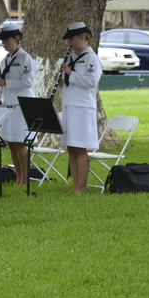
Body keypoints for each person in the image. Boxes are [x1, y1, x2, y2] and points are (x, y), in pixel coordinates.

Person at [0, 24, 35, 186]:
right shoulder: (5, 60)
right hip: (9, 105)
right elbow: (3, 84)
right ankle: (18, 177)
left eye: (7, 40)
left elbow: (27, 82)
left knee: (20, 143)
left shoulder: (24, 58)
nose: (5, 43)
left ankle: (25, 178)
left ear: (16, 39)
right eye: (3, 40)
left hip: (21, 106)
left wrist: (4, 82)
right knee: (11, 143)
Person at [59, 21, 103, 194]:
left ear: (82, 38)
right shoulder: (70, 58)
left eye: (72, 39)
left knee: (80, 147)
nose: (69, 43)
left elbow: (91, 81)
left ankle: (82, 187)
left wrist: (70, 73)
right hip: (70, 104)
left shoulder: (91, 58)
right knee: (71, 147)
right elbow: (70, 84)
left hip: (83, 107)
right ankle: (75, 185)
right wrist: (61, 81)